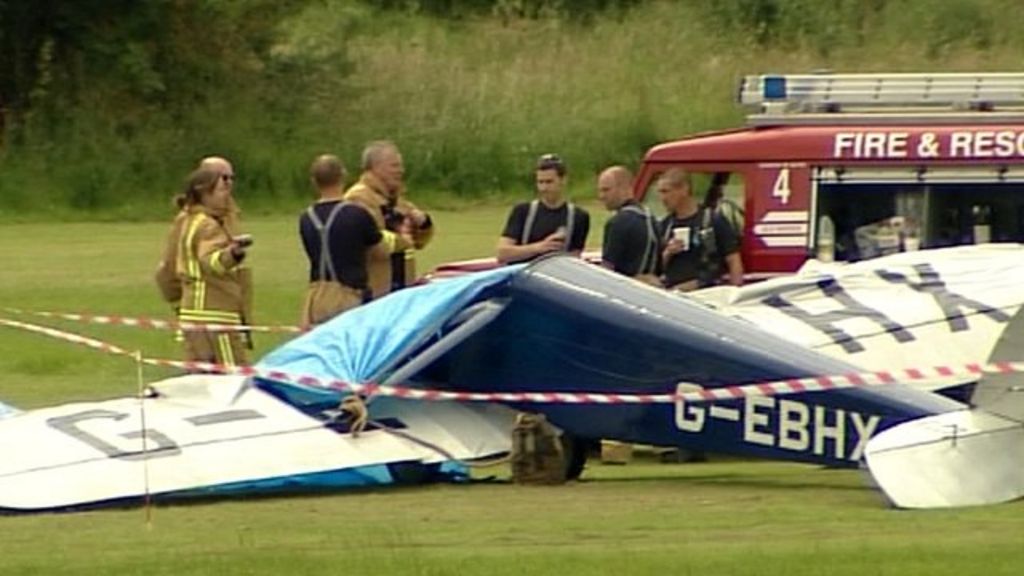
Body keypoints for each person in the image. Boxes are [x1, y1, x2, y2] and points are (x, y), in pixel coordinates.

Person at [298, 154, 411, 329]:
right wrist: (403, 239)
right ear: (343, 176)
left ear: (314, 181)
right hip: (349, 296)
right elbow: (380, 249)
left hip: (316, 297)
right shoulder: (356, 214)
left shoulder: (306, 218)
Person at [155, 156, 253, 348]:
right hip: (208, 310)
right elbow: (170, 267)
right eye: (223, 179)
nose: (229, 184)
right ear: (205, 186)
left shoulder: (228, 215)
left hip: (229, 306)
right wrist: (182, 305)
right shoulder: (192, 220)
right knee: (226, 374)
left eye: (232, 178)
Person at [174, 166, 251, 366]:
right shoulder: (208, 225)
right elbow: (211, 262)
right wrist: (233, 254)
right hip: (214, 314)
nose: (227, 195)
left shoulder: (190, 220)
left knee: (200, 380)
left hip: (193, 312)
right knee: (232, 377)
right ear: (205, 193)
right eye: (221, 190)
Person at [344, 141, 433, 298]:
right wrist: (404, 239)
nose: (401, 171)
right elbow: (373, 241)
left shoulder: (395, 198)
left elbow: (419, 242)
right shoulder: (358, 198)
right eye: (394, 166)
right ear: (376, 167)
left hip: (401, 287)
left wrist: (424, 223)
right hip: (374, 289)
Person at [657, 168, 743, 291]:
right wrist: (668, 253)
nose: (662, 198)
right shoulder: (665, 226)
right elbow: (656, 269)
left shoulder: (712, 220)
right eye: (660, 193)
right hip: (674, 295)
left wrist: (735, 293)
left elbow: (733, 260)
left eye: (666, 192)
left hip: (705, 293)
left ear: (684, 189)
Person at [496, 153, 590, 264]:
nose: (544, 188)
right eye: (540, 182)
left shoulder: (579, 217)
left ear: (563, 180)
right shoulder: (523, 212)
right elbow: (502, 254)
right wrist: (539, 247)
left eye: (549, 182)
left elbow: (575, 257)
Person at [596, 165, 660, 283]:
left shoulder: (618, 223)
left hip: (626, 290)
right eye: (600, 190)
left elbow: (607, 271)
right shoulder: (651, 218)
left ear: (624, 188)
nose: (601, 196)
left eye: (606, 190)